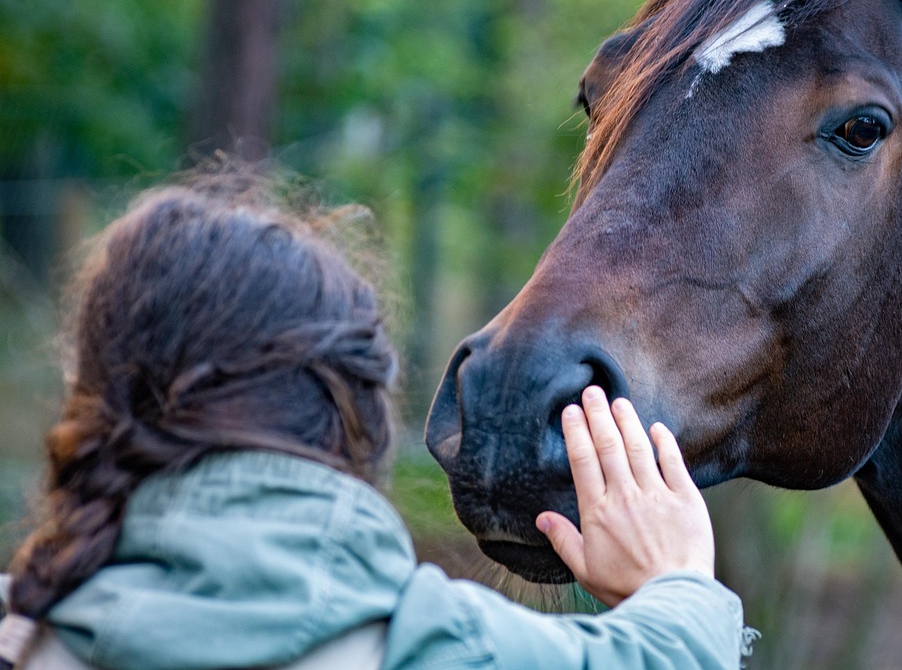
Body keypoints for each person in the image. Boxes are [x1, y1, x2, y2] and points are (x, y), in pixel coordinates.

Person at [0, 179, 750, 669]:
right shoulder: (452, 650)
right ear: (357, 416)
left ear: (94, 405)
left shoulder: (22, 636)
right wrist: (678, 589)